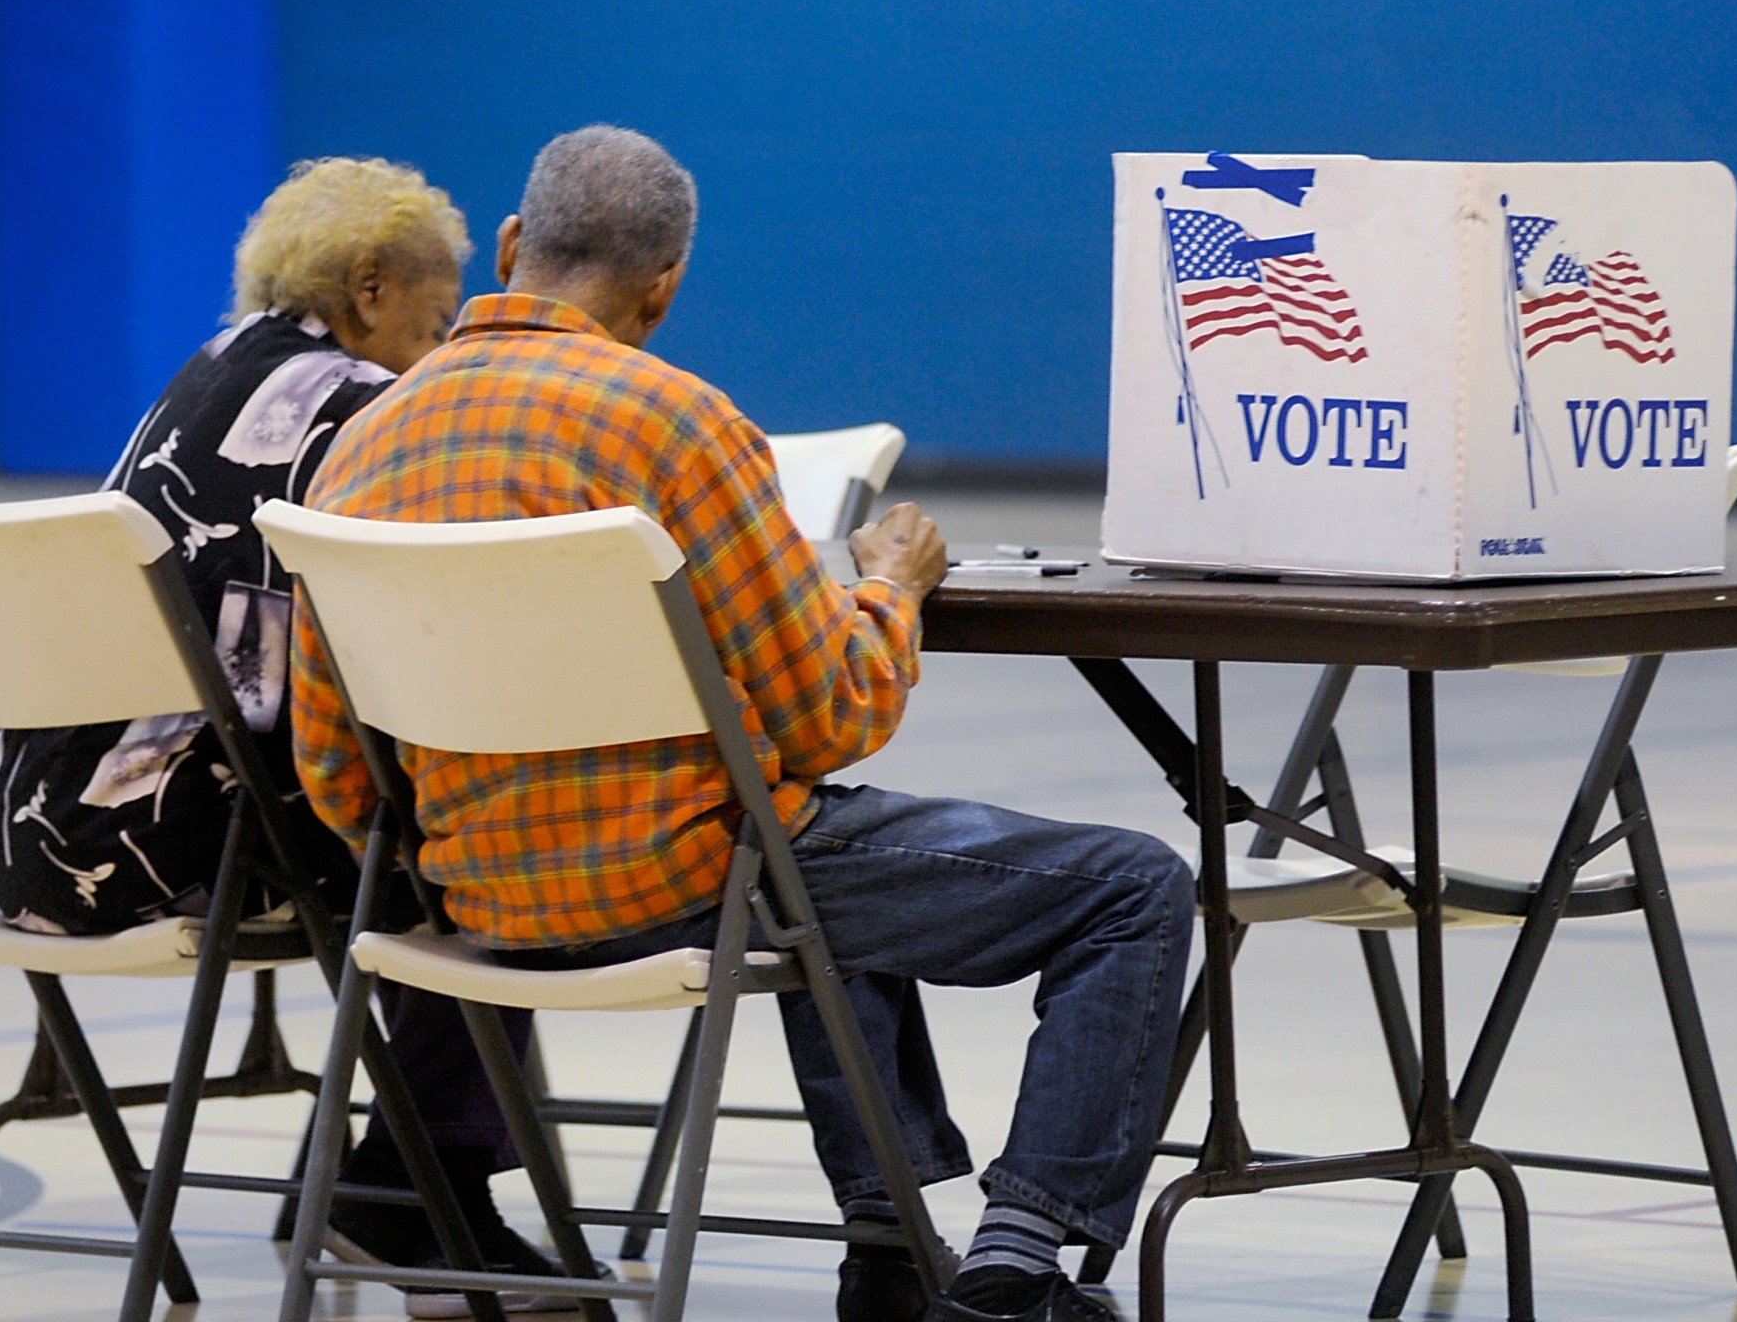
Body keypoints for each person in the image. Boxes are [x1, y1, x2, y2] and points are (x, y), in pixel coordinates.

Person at [291, 126, 1197, 1322]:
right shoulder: (676, 423)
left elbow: (336, 774)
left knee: (828, 850)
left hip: (479, 911)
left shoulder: (359, 443)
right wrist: (889, 589)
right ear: (662, 287)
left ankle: (887, 1246)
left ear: (513, 248)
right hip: (691, 889)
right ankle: (1018, 1272)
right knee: (1126, 886)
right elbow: (830, 713)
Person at [0, 157, 572, 1318]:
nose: (440, 346)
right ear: (368, 288)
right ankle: (415, 1189)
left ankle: (372, 1181)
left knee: (414, 808)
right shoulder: (353, 401)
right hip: (161, 848)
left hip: (30, 833)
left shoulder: (212, 369)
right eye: (437, 318)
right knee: (487, 832)